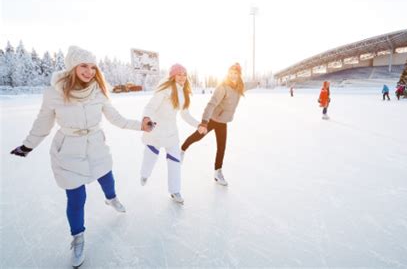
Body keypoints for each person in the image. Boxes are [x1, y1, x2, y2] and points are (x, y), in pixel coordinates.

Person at [10, 46, 151, 268]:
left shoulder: (98, 92)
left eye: (93, 67)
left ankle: (111, 198)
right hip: (68, 149)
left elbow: (117, 119)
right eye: (83, 66)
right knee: (76, 198)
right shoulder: (54, 93)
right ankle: (78, 237)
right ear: (72, 67)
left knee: (106, 175)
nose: (89, 71)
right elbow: (43, 123)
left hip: (95, 144)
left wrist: (140, 126)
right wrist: (28, 146)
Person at [140, 64, 200, 204]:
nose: (182, 77)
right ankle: (144, 174)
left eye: (184, 74)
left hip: (171, 132)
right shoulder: (165, 89)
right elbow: (151, 106)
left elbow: (185, 114)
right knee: (150, 156)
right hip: (156, 129)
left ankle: (175, 190)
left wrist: (198, 124)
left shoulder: (183, 92)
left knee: (175, 161)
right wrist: (146, 118)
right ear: (172, 76)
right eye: (179, 74)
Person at [180, 63, 245, 186]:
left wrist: (257, 82)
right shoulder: (223, 87)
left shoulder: (239, 87)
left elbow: (249, 84)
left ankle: (217, 172)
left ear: (239, 75)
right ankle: (182, 149)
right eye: (230, 72)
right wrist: (204, 122)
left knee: (221, 148)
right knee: (197, 136)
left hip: (223, 122)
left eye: (235, 73)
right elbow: (211, 104)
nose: (232, 75)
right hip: (212, 119)